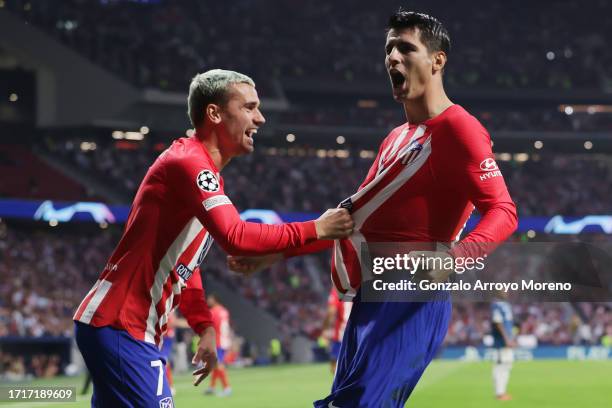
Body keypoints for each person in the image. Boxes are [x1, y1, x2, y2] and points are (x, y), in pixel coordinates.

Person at [228, 11, 517, 407]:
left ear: (438, 60)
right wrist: (278, 253)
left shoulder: (459, 129)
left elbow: (503, 210)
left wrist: (457, 256)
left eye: (406, 48)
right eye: (389, 49)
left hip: (413, 293)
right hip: (371, 295)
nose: (393, 58)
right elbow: (351, 219)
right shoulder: (396, 138)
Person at [73, 69, 354, 407]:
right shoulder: (189, 162)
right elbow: (236, 236)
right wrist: (316, 228)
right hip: (120, 325)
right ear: (215, 113)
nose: (260, 118)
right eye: (249, 107)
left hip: (118, 327)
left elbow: (183, 268)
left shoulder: (198, 173)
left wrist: (203, 325)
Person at [204, 294, 232, 397]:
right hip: (225, 340)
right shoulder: (224, 311)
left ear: (215, 300)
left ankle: (227, 388)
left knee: (218, 365)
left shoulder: (213, 312)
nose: (208, 300)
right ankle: (212, 387)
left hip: (217, 341)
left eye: (209, 299)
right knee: (215, 365)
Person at [491, 294, 515, 401]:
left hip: (506, 342)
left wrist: (512, 338)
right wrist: (507, 340)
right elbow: (498, 323)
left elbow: (508, 325)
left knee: (506, 366)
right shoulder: (497, 305)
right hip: (501, 343)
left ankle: (502, 392)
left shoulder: (505, 305)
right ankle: (499, 393)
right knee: (500, 367)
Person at [321, 288, 352, 373]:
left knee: (335, 367)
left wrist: (325, 329)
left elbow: (331, 312)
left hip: (342, 335)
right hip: (360, 333)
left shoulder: (338, 289)